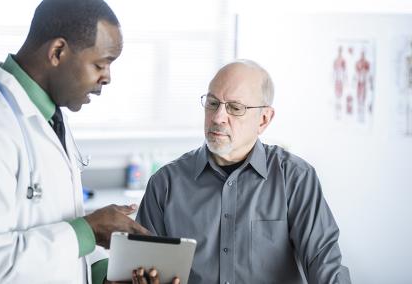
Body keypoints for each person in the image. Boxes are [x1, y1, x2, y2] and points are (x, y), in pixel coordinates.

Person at [0, 0, 169, 283]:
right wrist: (88, 231)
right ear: (57, 52)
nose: (107, 78)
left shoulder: (49, 117)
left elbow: (58, 221)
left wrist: (104, 274)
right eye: (101, 63)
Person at [136, 59, 352, 283]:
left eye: (235, 108)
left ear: (264, 119)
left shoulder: (295, 178)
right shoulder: (166, 183)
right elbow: (140, 269)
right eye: (212, 103)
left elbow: (325, 265)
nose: (218, 117)